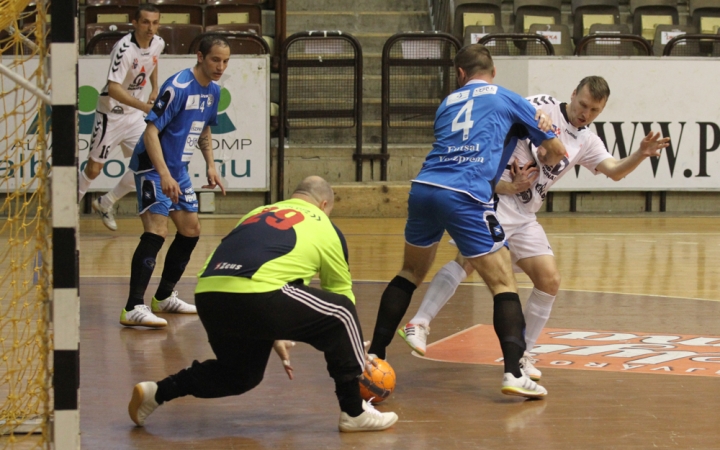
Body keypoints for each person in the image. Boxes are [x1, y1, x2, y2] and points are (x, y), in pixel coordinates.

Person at [398, 76, 670, 382]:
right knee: (469, 260)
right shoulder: (542, 105)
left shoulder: (587, 141)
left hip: (526, 214)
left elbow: (614, 171)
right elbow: (504, 119)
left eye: (595, 110)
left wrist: (640, 154)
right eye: (583, 105)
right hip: (497, 199)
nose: (586, 114)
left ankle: (522, 355)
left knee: (549, 280)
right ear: (572, 95)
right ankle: (419, 322)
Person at [366, 44, 568, 399]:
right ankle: (513, 372)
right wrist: (545, 135)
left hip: (425, 187)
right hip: (465, 196)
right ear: (492, 71)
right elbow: (557, 152)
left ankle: (373, 355)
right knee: (503, 282)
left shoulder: (448, 102)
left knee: (409, 273)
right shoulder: (508, 98)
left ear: (460, 74)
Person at [127, 176, 399, 433]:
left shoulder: (257, 213)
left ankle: (157, 392)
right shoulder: (325, 225)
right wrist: (353, 348)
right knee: (341, 312)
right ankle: (354, 412)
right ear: (324, 204)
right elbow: (339, 293)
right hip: (257, 294)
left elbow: (264, 265)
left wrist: (274, 328)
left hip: (210, 293)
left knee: (240, 375)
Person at [119, 35, 229, 328]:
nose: (220, 66)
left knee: (191, 229)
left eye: (225, 61)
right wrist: (164, 174)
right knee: (157, 229)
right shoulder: (177, 86)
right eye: (215, 60)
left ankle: (164, 297)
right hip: (152, 167)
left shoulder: (214, 91)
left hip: (177, 169)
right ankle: (132, 306)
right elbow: (151, 132)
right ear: (200, 56)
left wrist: (210, 165)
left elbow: (204, 128)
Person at [79, 5, 164, 231]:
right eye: (146, 22)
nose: (150, 28)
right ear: (134, 22)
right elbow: (114, 88)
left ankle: (106, 202)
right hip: (112, 114)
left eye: (155, 23)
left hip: (135, 115)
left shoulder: (158, 42)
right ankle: (66, 212)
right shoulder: (124, 49)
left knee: (149, 161)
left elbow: (153, 62)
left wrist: (155, 87)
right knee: (94, 170)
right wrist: (144, 107)